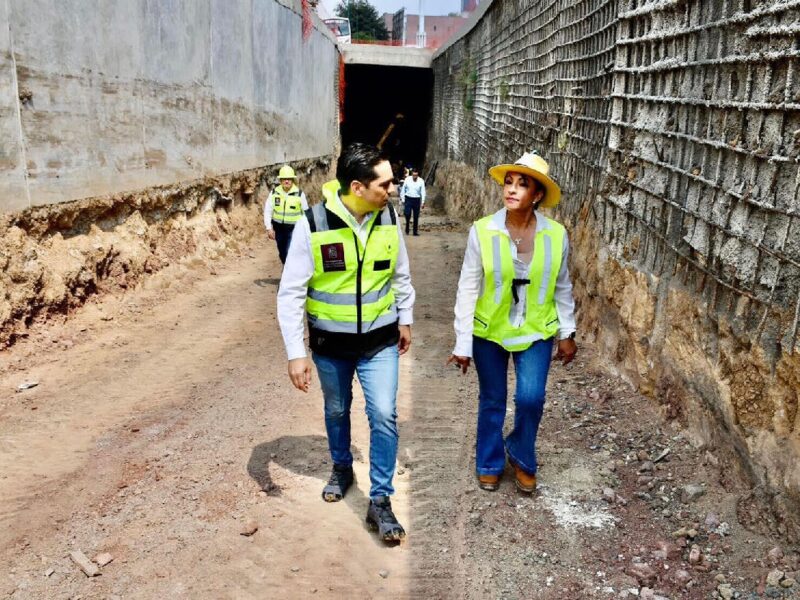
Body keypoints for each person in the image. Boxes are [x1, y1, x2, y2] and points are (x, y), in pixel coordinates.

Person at [276, 142, 415, 542]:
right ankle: (341, 467)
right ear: (357, 186)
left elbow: (400, 275)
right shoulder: (313, 224)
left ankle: (382, 500)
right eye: (385, 184)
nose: (392, 190)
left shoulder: (389, 217)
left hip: (379, 342)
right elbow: (291, 292)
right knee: (337, 410)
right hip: (330, 345)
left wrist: (404, 318)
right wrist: (295, 352)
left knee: (384, 414)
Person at [447, 151, 578, 493]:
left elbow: (562, 285)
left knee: (531, 398)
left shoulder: (556, 235)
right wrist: (462, 343)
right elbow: (468, 288)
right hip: (489, 329)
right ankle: (489, 461)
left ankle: (520, 453)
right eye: (509, 182)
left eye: (523, 184)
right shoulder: (482, 231)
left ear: (537, 195)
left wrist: (567, 332)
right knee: (492, 398)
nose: (512, 189)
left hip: (537, 328)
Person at [264, 165, 309, 265]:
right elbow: (268, 210)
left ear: (293, 180)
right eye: (284, 179)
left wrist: (307, 230)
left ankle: (290, 274)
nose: (287, 181)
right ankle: (288, 269)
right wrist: (269, 228)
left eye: (289, 179)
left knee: (290, 251)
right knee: (282, 252)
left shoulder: (299, 194)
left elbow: (306, 213)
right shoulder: (274, 193)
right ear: (280, 180)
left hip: (294, 229)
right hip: (279, 228)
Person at [400, 168, 426, 236]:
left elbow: (423, 192)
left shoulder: (421, 181)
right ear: (412, 174)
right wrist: (403, 199)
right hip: (408, 198)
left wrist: (423, 202)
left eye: (416, 175)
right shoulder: (407, 179)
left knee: (416, 216)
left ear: (418, 175)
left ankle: (415, 231)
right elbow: (403, 189)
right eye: (414, 175)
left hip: (416, 199)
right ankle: (407, 225)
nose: (415, 177)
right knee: (407, 214)